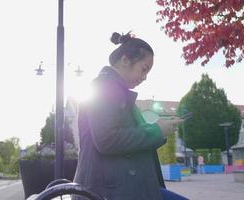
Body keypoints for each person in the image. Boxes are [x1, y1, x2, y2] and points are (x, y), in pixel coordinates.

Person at [73, 32, 189, 200]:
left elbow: (124, 137)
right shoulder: (105, 87)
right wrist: (157, 130)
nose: (145, 77)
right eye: (144, 69)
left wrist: (161, 129)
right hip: (110, 190)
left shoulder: (114, 89)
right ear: (125, 60)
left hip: (117, 186)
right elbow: (107, 139)